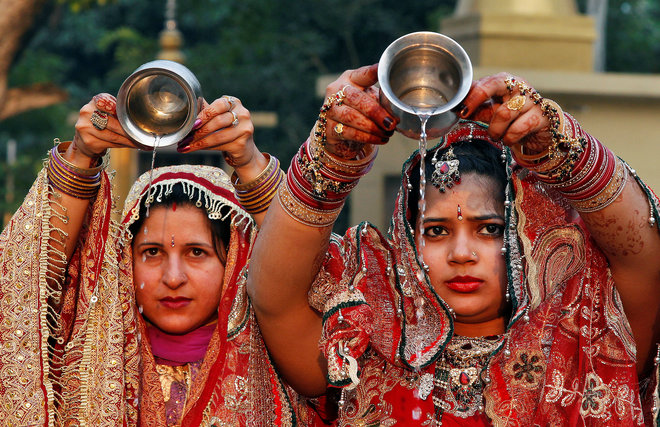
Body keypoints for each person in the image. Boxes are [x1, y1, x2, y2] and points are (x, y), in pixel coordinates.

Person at [247, 64, 660, 425]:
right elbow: (273, 295)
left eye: (489, 229)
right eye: (437, 231)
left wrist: (559, 147)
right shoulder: (365, 350)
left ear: (526, 237)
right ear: (406, 245)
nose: (462, 254)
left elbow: (644, 253)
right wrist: (332, 157)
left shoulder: (581, 341)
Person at [0, 91, 310, 425]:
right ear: (125, 262)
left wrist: (249, 163)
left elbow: (315, 283)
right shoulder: (80, 358)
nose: (173, 277)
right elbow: (20, 298)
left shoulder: (289, 360)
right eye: (152, 252)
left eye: (196, 252)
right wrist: (80, 156)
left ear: (234, 261)